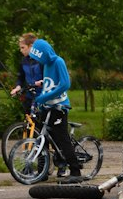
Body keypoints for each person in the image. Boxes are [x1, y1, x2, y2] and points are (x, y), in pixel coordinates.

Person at [27, 36, 83, 184]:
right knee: (42, 137)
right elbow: (51, 82)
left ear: (45, 54)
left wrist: (44, 98)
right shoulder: (46, 65)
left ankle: (75, 171)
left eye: (40, 57)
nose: (39, 61)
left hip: (59, 107)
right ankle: (42, 171)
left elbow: (65, 84)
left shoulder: (58, 62)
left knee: (62, 139)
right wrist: (42, 84)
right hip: (48, 106)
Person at [10, 33, 43, 116]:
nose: (21, 50)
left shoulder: (41, 60)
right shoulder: (23, 61)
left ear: (31, 46)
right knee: (29, 123)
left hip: (42, 96)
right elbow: (20, 77)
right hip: (29, 96)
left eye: (23, 47)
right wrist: (18, 87)